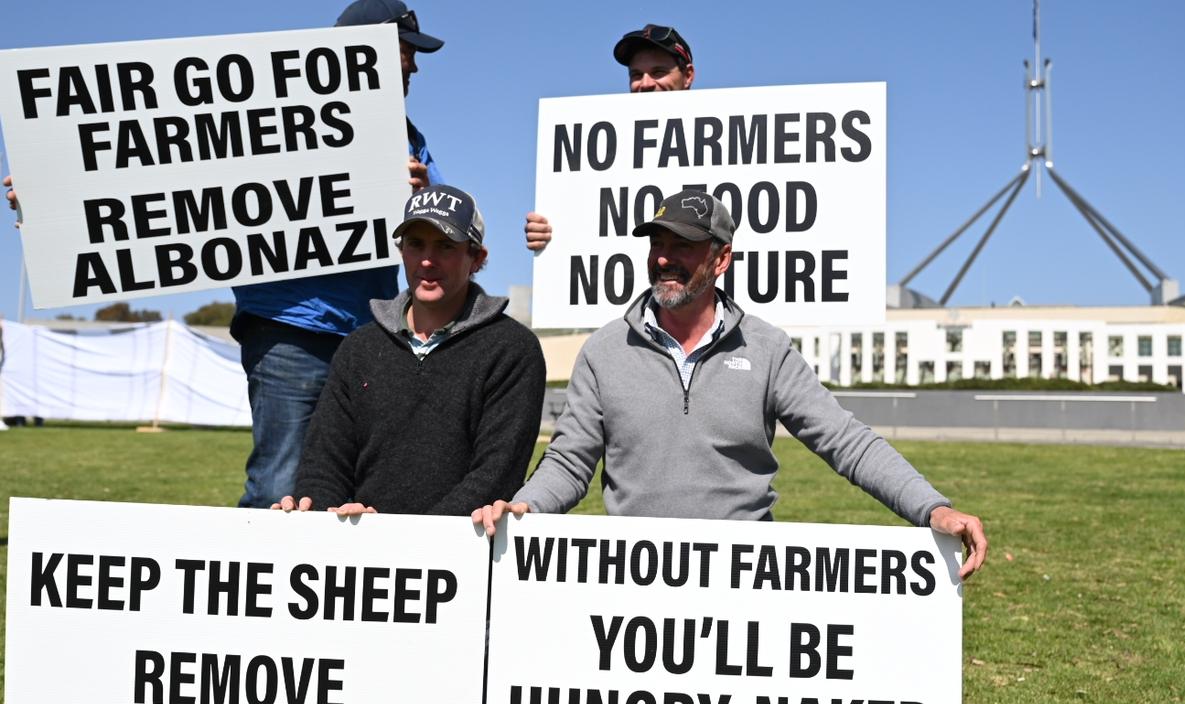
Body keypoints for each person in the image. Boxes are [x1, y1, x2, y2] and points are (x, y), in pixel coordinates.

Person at [476, 191, 988, 579]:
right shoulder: (604, 351)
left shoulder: (766, 349)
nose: (663, 257)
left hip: (742, 582)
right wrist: (528, 505)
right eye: (658, 244)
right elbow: (569, 461)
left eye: (684, 246)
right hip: (632, 580)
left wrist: (933, 508)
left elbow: (845, 440)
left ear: (721, 260)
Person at [233, 0, 447, 508]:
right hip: (288, 330)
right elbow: (177, 181)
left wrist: (419, 201)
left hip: (367, 336)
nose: (414, 66)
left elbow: (451, 226)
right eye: (404, 52)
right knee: (277, 486)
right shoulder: (270, 120)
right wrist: (55, 198)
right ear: (360, 52)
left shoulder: (409, 141)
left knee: (352, 489)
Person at [275, 185, 545, 516]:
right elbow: (323, 464)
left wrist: (405, 547)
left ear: (477, 258)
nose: (427, 261)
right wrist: (329, 518)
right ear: (402, 252)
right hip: (357, 552)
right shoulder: (358, 348)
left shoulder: (512, 349)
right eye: (416, 244)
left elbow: (495, 476)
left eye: (445, 246)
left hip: (457, 555)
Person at [524, 24, 695, 252]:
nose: (645, 84)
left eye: (658, 72)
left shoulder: (725, 139)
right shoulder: (603, 149)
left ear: (688, 76)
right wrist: (549, 231)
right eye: (636, 74)